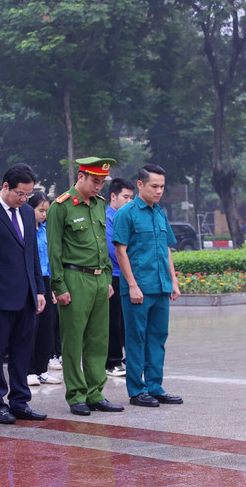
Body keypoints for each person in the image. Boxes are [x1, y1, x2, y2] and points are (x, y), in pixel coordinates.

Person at [0, 164, 47, 424]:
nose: (24, 199)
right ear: (5, 187)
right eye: (20, 193)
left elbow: (32, 254)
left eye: (28, 194)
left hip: (26, 295)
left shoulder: (26, 212)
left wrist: (39, 289)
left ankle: (20, 400)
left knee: (22, 351)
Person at [47, 157, 124, 416]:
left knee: (99, 339)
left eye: (102, 182)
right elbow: (54, 250)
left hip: (100, 279)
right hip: (74, 278)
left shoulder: (99, 205)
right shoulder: (61, 206)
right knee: (73, 340)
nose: (99, 187)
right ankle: (76, 395)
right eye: (95, 181)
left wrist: (106, 279)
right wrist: (59, 286)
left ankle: (95, 392)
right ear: (81, 177)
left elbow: (102, 241)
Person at [112, 164, 184, 408]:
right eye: (154, 186)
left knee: (157, 338)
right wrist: (132, 285)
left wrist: (173, 281)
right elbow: (121, 251)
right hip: (138, 289)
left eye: (162, 186)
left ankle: (155, 386)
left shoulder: (160, 212)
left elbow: (166, 249)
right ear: (140, 184)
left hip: (161, 287)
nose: (159, 191)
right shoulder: (127, 213)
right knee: (136, 339)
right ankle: (137, 389)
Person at [27, 191, 62, 386]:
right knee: (31, 326)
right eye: (40, 210)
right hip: (30, 279)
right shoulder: (25, 230)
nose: (44, 215)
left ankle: (42, 369)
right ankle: (29, 370)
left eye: (46, 211)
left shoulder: (47, 230)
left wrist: (54, 287)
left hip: (47, 279)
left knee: (47, 327)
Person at [105, 178, 135, 378]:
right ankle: (112, 361)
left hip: (129, 275)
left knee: (127, 320)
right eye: (126, 197)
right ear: (113, 196)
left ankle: (128, 358)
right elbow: (112, 248)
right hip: (113, 276)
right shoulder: (107, 217)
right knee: (113, 321)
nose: (129, 201)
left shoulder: (129, 216)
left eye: (132, 198)